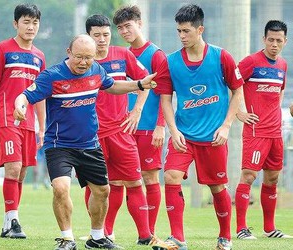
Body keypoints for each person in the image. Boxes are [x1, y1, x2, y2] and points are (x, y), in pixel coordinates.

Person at [13, 34, 157, 250]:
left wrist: (138, 84)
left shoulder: (97, 70)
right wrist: (19, 106)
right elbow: (25, 95)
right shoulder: (52, 76)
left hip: (89, 144)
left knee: (103, 191)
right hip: (59, 145)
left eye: (88, 58)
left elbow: (111, 86)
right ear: (68, 52)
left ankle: (97, 238)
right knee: (61, 188)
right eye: (79, 57)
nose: (83, 62)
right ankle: (67, 238)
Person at [151, 4, 244, 250]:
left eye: (186, 31)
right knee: (170, 176)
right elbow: (165, 99)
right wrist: (173, 129)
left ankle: (225, 238)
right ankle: (177, 238)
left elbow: (237, 91)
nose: (181, 36)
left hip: (213, 138)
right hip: (184, 135)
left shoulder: (221, 57)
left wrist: (226, 126)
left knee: (217, 186)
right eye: (179, 31)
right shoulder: (170, 62)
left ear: (200, 29)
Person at [83, 14, 155, 245]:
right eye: (97, 35)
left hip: (121, 132)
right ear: (88, 37)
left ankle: (145, 236)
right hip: (92, 136)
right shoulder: (82, 60)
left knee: (134, 182)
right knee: (97, 185)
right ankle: (100, 233)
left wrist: (137, 111)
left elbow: (146, 81)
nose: (102, 40)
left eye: (106, 34)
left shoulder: (123, 55)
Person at [0, 3, 46, 239]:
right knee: (13, 167)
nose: (31, 27)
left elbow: (40, 93)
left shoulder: (39, 56)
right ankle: (14, 221)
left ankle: (8, 223)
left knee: (21, 174)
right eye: (26, 22)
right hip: (6, 118)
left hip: (29, 123)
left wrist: (42, 126)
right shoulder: (2, 49)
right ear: (15, 24)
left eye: (35, 22)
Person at [113, 5, 169, 236]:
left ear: (140, 24)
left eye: (128, 26)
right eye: (120, 28)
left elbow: (166, 93)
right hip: (123, 127)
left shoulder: (156, 55)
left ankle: (149, 232)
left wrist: (160, 126)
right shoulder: (123, 55)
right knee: (116, 180)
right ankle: (106, 231)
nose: (124, 31)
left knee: (148, 177)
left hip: (147, 127)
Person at [234, 20, 293, 240]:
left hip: (275, 132)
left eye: (279, 40)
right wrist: (240, 113)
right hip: (255, 131)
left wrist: (279, 112)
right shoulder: (251, 62)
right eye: (271, 40)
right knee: (249, 176)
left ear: (285, 41)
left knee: (273, 179)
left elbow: (278, 93)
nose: (274, 44)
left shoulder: (283, 65)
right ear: (264, 39)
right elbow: (230, 83)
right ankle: (241, 228)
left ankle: (270, 229)